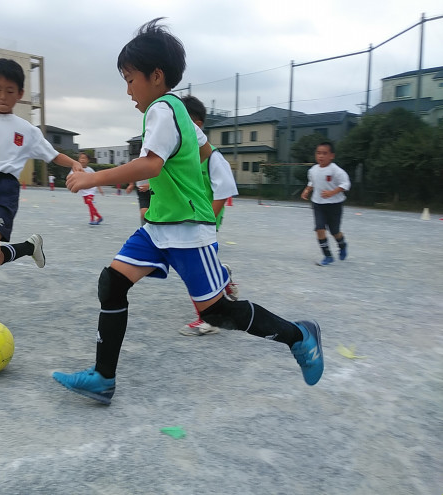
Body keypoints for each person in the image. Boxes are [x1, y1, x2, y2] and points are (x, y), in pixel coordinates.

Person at [52, 18, 324, 405]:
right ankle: (103, 378)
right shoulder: (173, 111)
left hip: (187, 229)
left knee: (216, 313)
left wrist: (94, 178)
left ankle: (300, 336)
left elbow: (151, 165)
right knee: (112, 284)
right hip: (159, 225)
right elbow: (198, 150)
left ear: (156, 76)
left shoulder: (163, 109)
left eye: (130, 79)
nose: (127, 89)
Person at [0, 58, 83, 328]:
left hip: (6, 188)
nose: (2, 96)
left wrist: (74, 163)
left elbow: (52, 154)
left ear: (20, 94)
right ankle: (29, 246)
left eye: (10, 91)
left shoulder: (26, 130)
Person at [179, 95, 239, 336]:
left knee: (194, 268)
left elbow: (224, 191)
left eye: (181, 121)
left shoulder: (213, 155)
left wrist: (207, 221)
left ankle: (210, 319)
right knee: (199, 264)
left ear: (197, 125)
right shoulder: (183, 155)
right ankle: (223, 275)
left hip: (205, 219)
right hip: (186, 219)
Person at [300, 141, 350, 266]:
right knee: (319, 229)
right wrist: (306, 191)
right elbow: (312, 182)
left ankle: (342, 244)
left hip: (335, 205)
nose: (321, 156)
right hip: (318, 204)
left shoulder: (336, 170)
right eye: (318, 153)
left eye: (324, 153)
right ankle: (327, 255)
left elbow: (346, 184)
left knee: (334, 231)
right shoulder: (313, 170)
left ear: (331, 156)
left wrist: (332, 192)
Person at [69, 153, 104, 225]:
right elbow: (70, 176)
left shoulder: (90, 170)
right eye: (81, 158)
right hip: (83, 190)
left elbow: (96, 179)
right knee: (89, 204)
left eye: (84, 158)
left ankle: (92, 219)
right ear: (78, 160)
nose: (82, 160)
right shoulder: (75, 169)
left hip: (91, 189)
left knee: (89, 203)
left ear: (88, 160)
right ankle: (98, 217)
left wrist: (99, 188)